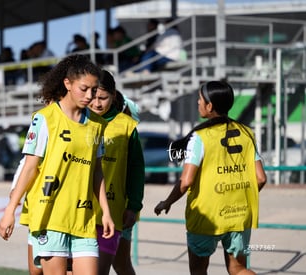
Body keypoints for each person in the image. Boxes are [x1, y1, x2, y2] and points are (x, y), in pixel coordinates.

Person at [0, 54, 115, 275]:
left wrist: (106, 212)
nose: (90, 96)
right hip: (50, 218)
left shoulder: (97, 125)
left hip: (84, 219)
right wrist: (10, 210)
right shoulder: (44, 119)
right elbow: (29, 167)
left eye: (94, 89)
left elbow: (97, 172)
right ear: (67, 84)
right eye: (84, 88)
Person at [154, 81, 267, 275]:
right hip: (239, 215)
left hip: (206, 215)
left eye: (200, 99)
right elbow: (261, 178)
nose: (197, 102)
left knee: (199, 271)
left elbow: (186, 181)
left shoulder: (200, 137)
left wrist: (167, 202)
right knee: (238, 269)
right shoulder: (248, 133)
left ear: (209, 106)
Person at [89, 70, 145, 275]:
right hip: (80, 211)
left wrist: (134, 205)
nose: (96, 103)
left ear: (113, 95)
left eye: (102, 98)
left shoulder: (127, 126)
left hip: (115, 210)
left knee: (109, 268)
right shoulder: (78, 120)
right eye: (92, 97)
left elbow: (137, 169)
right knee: (120, 264)